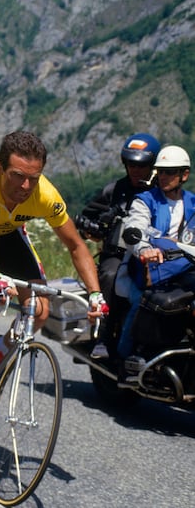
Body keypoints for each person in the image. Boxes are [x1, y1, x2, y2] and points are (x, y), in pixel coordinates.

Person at [0, 131, 105, 444]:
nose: (26, 187)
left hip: (9, 238)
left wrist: (95, 293)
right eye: (17, 176)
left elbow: (75, 245)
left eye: (34, 178)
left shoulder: (46, 196)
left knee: (39, 311)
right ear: (0, 167)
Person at [78, 133, 161, 358]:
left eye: (141, 164)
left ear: (152, 165)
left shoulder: (162, 191)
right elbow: (86, 218)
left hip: (154, 254)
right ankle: (102, 336)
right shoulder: (114, 190)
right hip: (117, 253)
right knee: (109, 275)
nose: (135, 169)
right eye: (131, 164)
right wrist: (90, 229)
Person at [117, 145, 195, 377]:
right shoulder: (145, 199)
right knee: (143, 302)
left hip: (185, 268)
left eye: (170, 172)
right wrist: (143, 247)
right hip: (150, 269)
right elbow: (134, 227)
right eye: (161, 171)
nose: (164, 177)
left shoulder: (193, 203)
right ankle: (125, 357)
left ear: (184, 175)